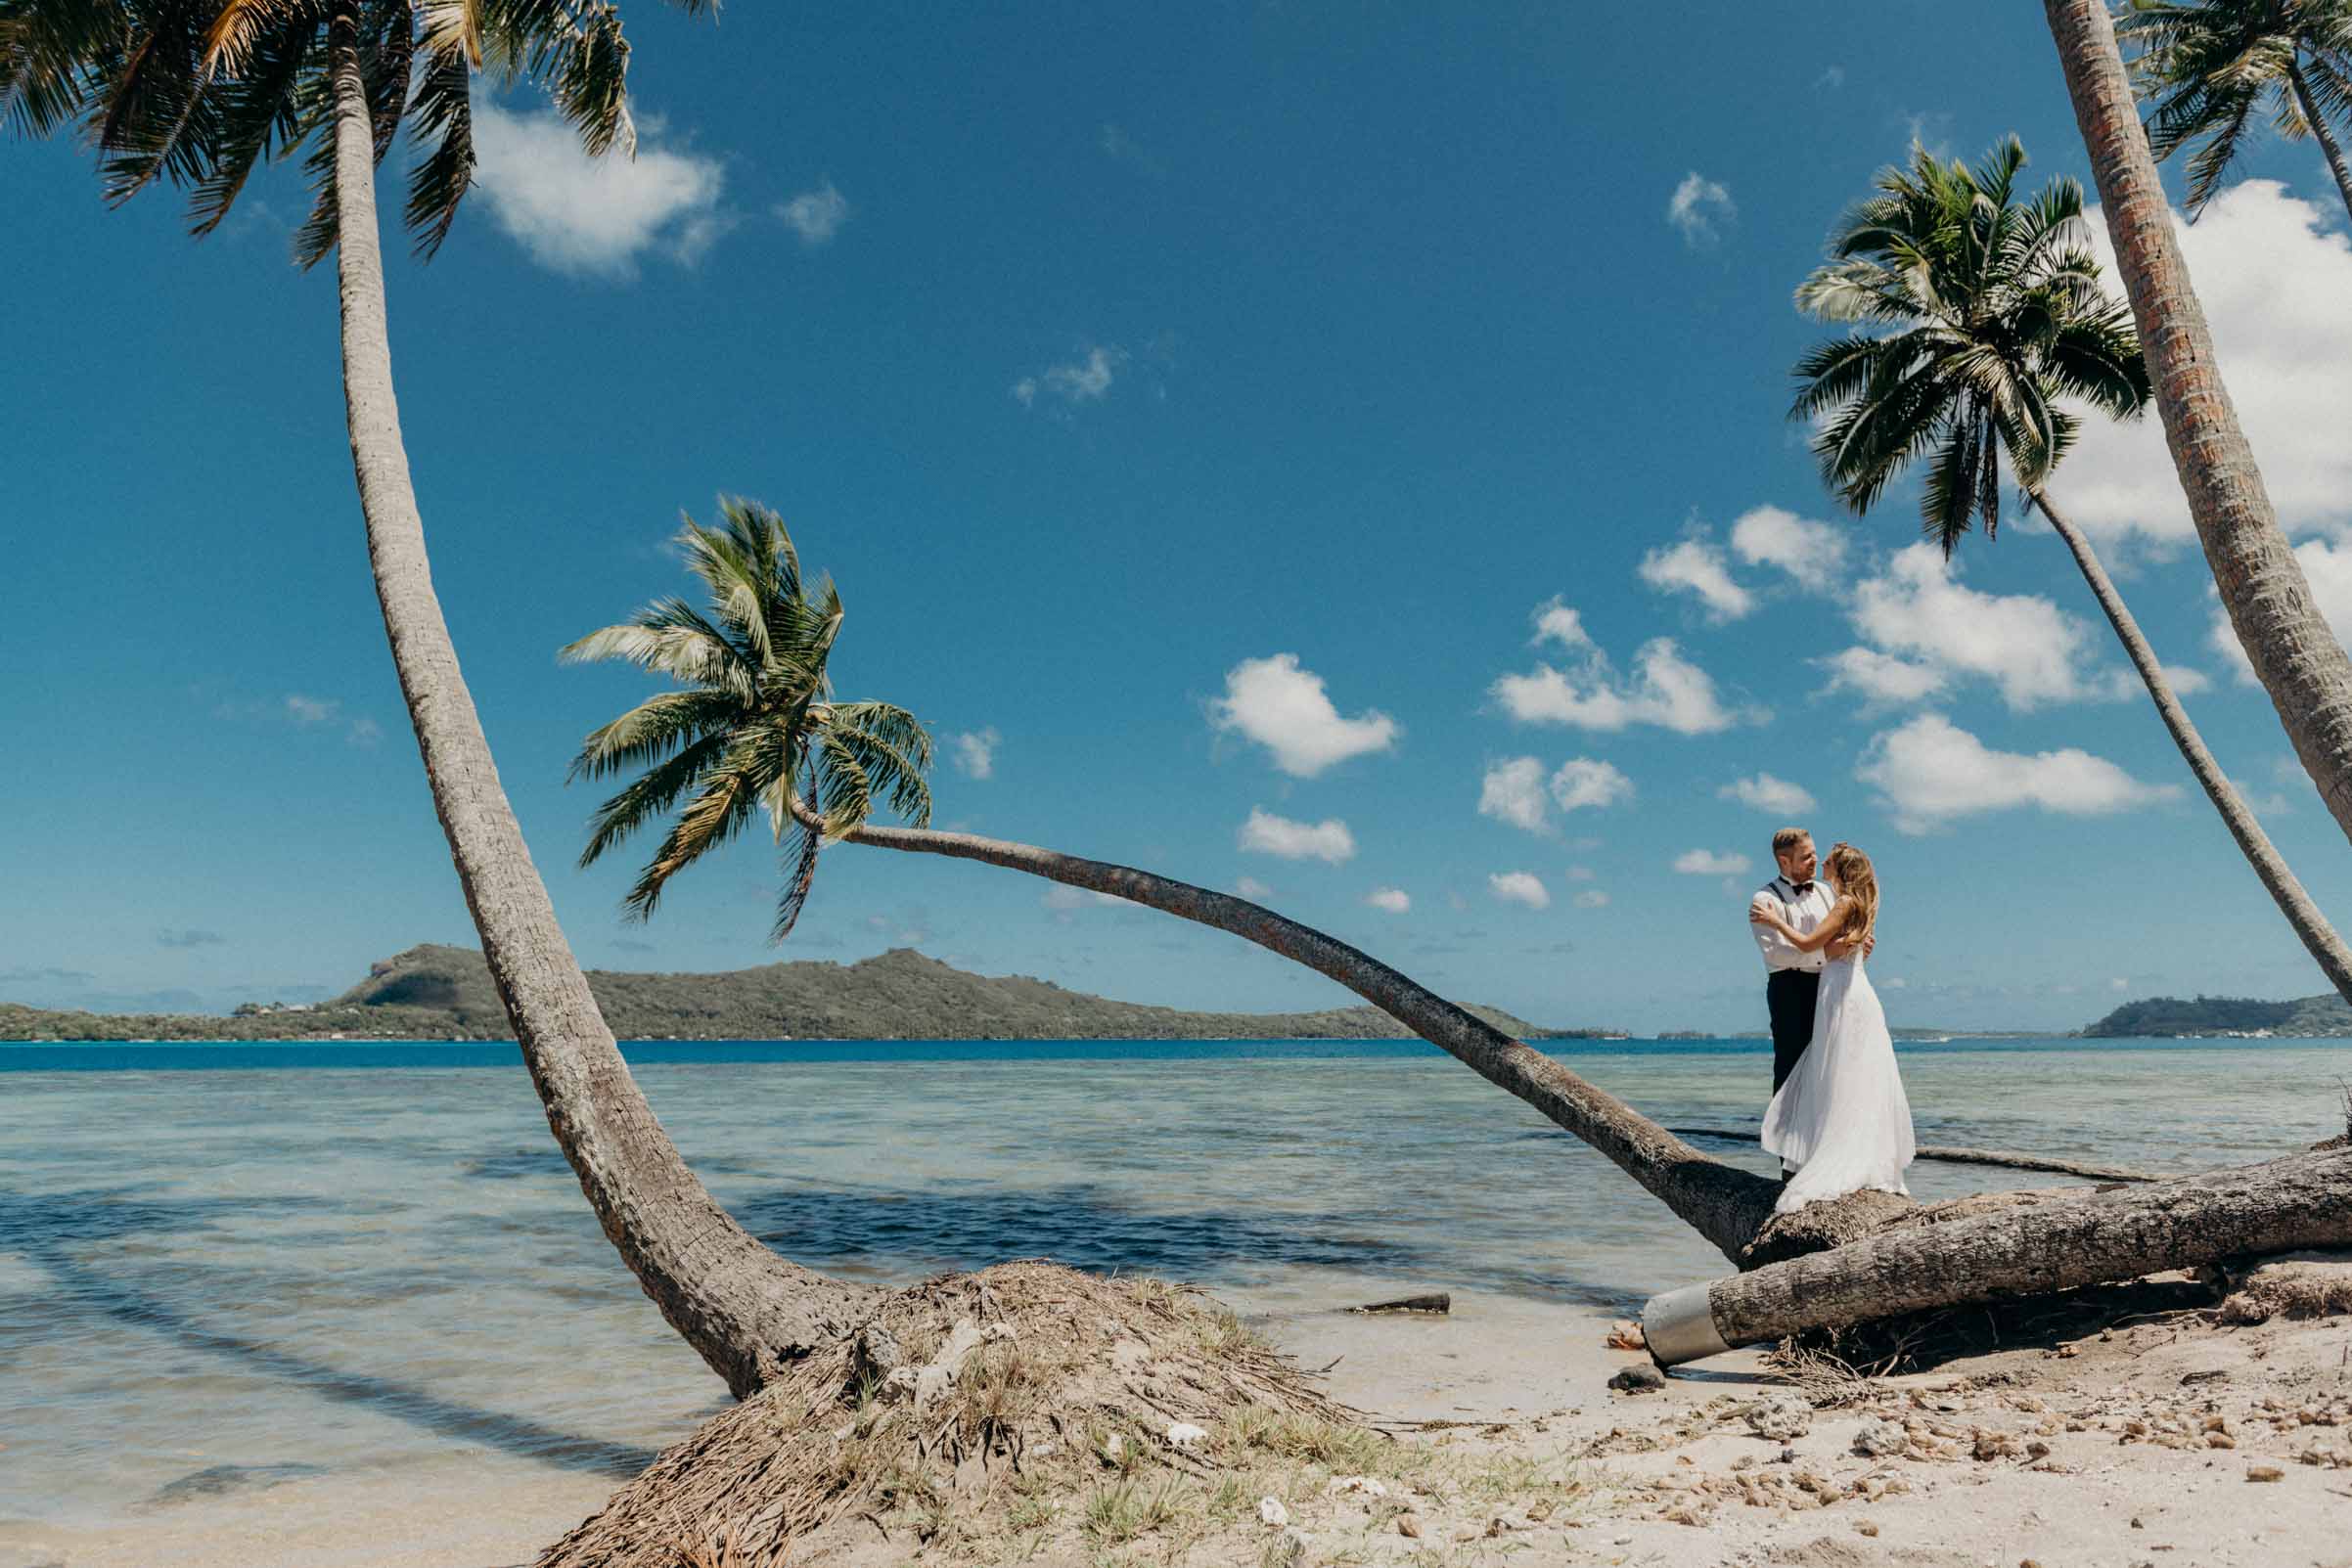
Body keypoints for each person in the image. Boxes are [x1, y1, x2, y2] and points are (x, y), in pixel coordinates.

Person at [1747, 841, 1916, 1214]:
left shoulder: (1832, 895)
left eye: (1818, 857)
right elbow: (1778, 953)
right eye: (1807, 856)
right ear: (1783, 860)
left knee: (1837, 1073)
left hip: (1834, 987)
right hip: (1794, 988)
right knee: (1795, 1069)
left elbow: (1824, 941)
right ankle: (1792, 1164)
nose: (1815, 861)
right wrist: (1838, 949)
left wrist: (1847, 948)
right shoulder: (1765, 898)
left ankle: (1831, 1154)